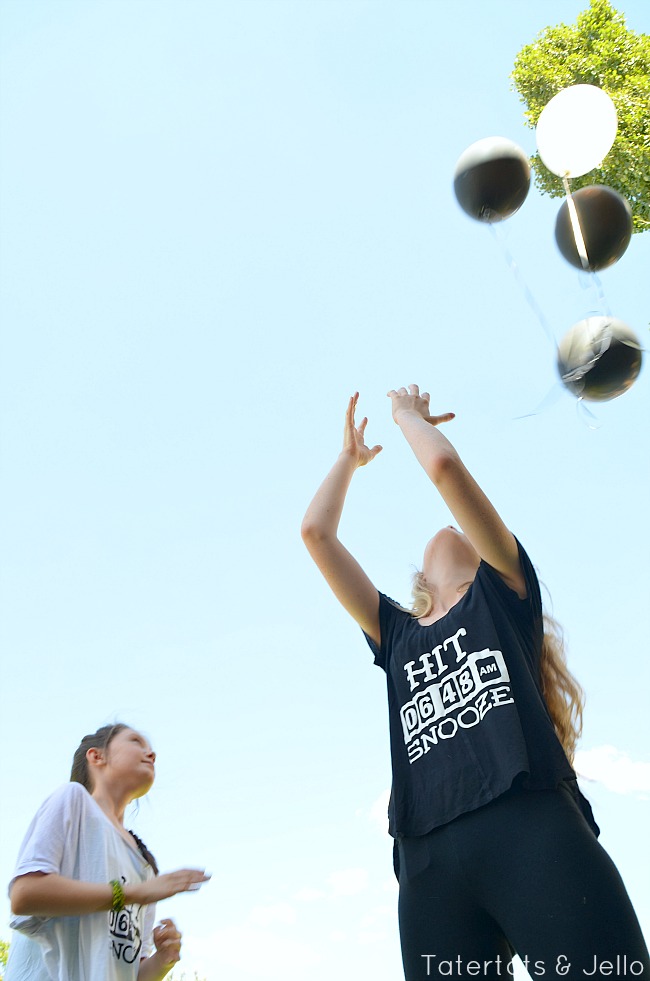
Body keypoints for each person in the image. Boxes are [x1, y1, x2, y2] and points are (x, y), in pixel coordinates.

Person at [301, 385, 650, 980]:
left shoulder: (504, 594)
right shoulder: (396, 634)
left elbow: (442, 466)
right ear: (418, 584)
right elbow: (317, 534)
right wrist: (347, 460)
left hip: (530, 826)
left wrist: (406, 416)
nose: (448, 530)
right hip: (426, 859)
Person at [6, 723, 210, 981]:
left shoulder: (145, 866)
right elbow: (25, 895)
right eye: (136, 741)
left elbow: (132, 972)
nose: (151, 754)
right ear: (97, 756)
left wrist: (163, 960)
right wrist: (129, 894)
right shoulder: (73, 800)